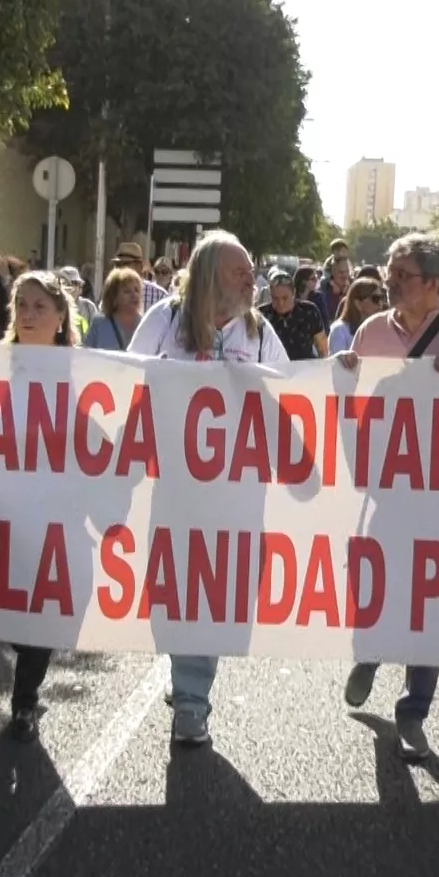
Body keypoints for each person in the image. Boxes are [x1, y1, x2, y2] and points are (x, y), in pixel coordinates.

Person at [335, 233, 439, 761]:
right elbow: (352, 406)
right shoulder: (371, 332)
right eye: (389, 271)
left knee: (433, 605)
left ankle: (413, 713)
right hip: (389, 490)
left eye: (401, 274)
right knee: (382, 585)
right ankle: (371, 652)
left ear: (432, 283)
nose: (389, 280)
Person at [128, 230, 289, 744]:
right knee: (173, 588)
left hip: (239, 492)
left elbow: (295, 393)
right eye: (241, 270)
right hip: (175, 487)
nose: (251, 280)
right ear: (209, 272)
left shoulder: (258, 331)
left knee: (222, 593)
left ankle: (191, 691)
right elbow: (121, 381)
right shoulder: (165, 322)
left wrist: (342, 372)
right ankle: (189, 684)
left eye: (251, 271)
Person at [0, 272, 79, 741]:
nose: (28, 315)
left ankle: (25, 699)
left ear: (61, 317)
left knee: (45, 614)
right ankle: (25, 661)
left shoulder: (86, 371)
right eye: (21, 306)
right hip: (0, 512)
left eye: (40, 307)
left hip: (57, 517)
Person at [259, 265, 329, 360]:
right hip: (273, 370)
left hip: (305, 370)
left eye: (285, 298)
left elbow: (322, 348)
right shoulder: (262, 315)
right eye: (275, 298)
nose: (280, 303)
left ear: (293, 293)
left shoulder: (309, 311)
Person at [85, 267, 145, 351]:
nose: (134, 295)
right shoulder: (99, 323)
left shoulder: (146, 325)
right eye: (127, 291)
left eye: (136, 290)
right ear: (114, 296)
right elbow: (85, 356)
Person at [327, 276, 386, 355]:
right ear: (358, 303)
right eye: (375, 299)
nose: (380, 304)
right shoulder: (339, 330)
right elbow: (336, 363)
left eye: (382, 298)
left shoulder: (384, 329)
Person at [112, 242, 170, 310]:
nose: (121, 269)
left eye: (126, 264)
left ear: (140, 266)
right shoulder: (110, 292)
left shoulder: (159, 295)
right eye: (118, 264)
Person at [313, 255, 353, 323]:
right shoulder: (322, 293)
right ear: (332, 273)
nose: (345, 275)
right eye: (341, 272)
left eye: (347, 271)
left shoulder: (354, 289)